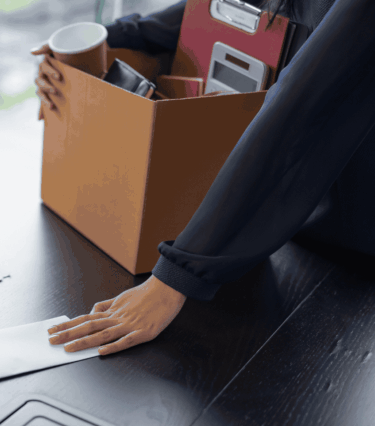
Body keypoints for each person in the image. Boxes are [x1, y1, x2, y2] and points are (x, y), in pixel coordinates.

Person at [34, 0, 375, 354]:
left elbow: (306, 105)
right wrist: (107, 41)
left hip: (354, 253)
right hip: (285, 227)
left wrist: (178, 275)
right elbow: (221, 8)